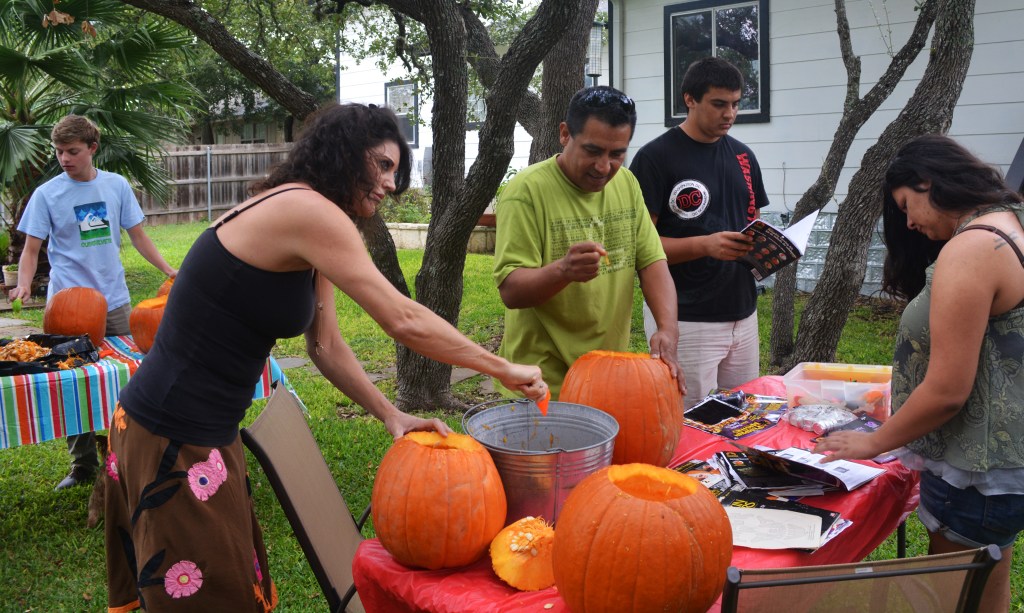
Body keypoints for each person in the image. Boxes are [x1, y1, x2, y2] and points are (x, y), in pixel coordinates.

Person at [103, 102, 548, 612]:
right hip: (173, 431)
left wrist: (391, 414)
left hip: (195, 427)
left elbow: (326, 346)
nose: (389, 183)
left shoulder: (312, 217)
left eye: (396, 172)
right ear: (343, 153)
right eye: (382, 165)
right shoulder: (307, 211)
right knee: (211, 598)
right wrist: (501, 367)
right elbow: (401, 318)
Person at [814, 134, 1024, 612]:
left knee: (946, 599)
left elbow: (950, 389)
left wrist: (872, 442)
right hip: (1004, 463)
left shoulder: (972, 249)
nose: (908, 222)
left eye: (908, 205)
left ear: (929, 183)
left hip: (973, 470)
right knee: (987, 585)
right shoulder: (1009, 222)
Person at [9, 114, 177, 491]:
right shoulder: (47, 193)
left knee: (130, 375)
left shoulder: (116, 186)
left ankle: (133, 454)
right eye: (59, 151)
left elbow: (138, 236)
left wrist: (169, 268)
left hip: (114, 301)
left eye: (72, 151)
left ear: (92, 149)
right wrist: (22, 285)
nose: (64, 158)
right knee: (73, 381)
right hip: (67, 305)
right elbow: (31, 250)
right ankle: (82, 465)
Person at [492, 85, 682, 399]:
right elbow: (511, 291)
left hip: (606, 376)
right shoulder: (525, 192)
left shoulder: (627, 183)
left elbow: (652, 262)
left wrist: (668, 329)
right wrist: (563, 271)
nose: (604, 167)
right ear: (565, 134)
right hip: (540, 384)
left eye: (617, 154)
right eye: (592, 151)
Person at [629, 57, 769, 409]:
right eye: (719, 104)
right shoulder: (655, 158)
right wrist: (704, 245)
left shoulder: (744, 157)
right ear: (689, 99)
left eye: (736, 104)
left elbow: (754, 224)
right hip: (686, 318)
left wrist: (769, 248)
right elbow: (639, 246)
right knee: (687, 421)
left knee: (743, 418)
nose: (730, 114)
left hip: (743, 313)